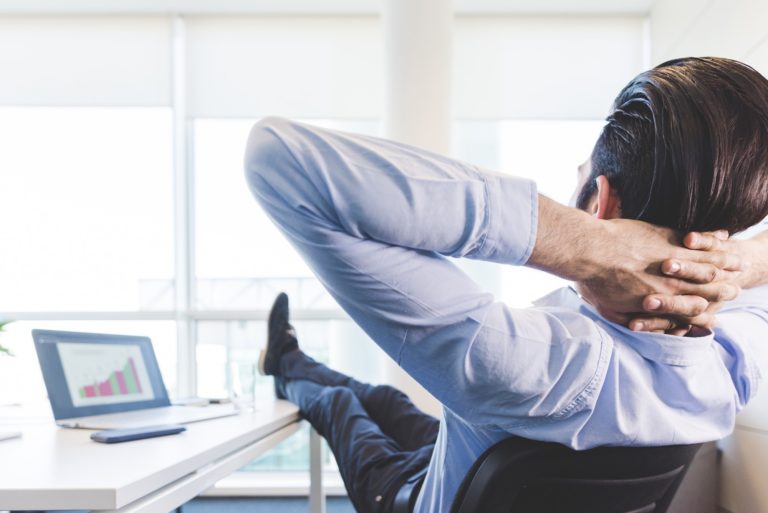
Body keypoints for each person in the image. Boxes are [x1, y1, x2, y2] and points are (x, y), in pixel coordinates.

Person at [245, 57, 768, 513]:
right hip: (478, 456)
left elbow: (277, 156)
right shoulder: (732, 361)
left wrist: (596, 250)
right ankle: (292, 357)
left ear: (602, 205)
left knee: (341, 407)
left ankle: (287, 367)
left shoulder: (539, 365)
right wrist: (732, 261)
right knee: (382, 398)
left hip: (410, 499)